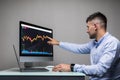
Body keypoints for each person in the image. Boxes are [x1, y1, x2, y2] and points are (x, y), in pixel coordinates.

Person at [47, 12, 119, 80]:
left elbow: (100, 70)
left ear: (95, 26)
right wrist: (58, 43)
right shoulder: (94, 44)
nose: (87, 31)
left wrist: (72, 67)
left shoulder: (112, 43)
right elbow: (78, 48)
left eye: (88, 27)